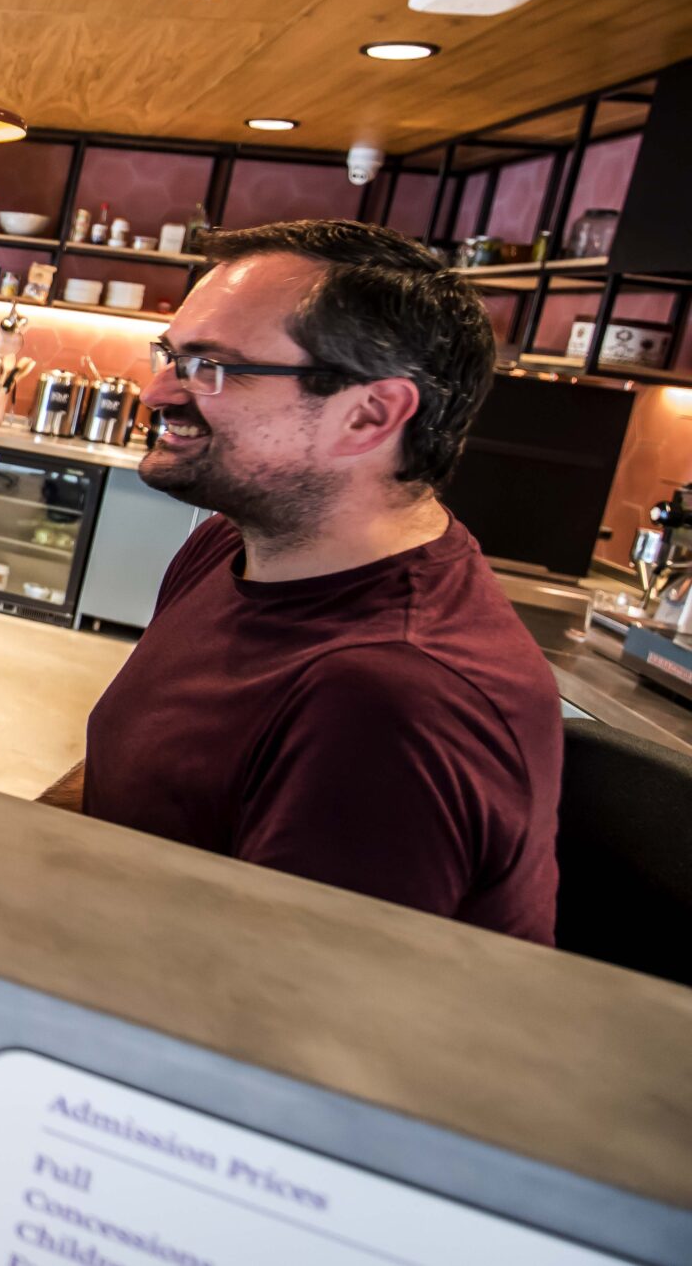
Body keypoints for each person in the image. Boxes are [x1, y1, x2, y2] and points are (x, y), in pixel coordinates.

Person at [40, 220, 562, 942]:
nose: (158, 391)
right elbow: (142, 780)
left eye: (210, 367)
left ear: (369, 415)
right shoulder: (237, 542)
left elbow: (277, 1022)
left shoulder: (391, 697)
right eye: (169, 355)